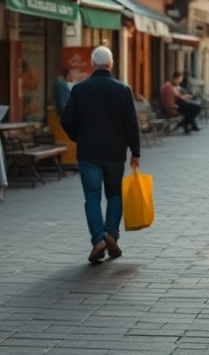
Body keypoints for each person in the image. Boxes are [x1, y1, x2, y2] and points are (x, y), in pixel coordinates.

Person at [59, 45, 141, 263]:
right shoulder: (122, 90)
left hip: (88, 153)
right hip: (115, 153)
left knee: (92, 197)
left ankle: (98, 240)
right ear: (111, 64)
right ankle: (111, 234)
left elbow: (66, 120)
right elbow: (132, 124)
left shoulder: (79, 90)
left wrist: (79, 137)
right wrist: (135, 152)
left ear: (93, 64)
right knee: (114, 194)